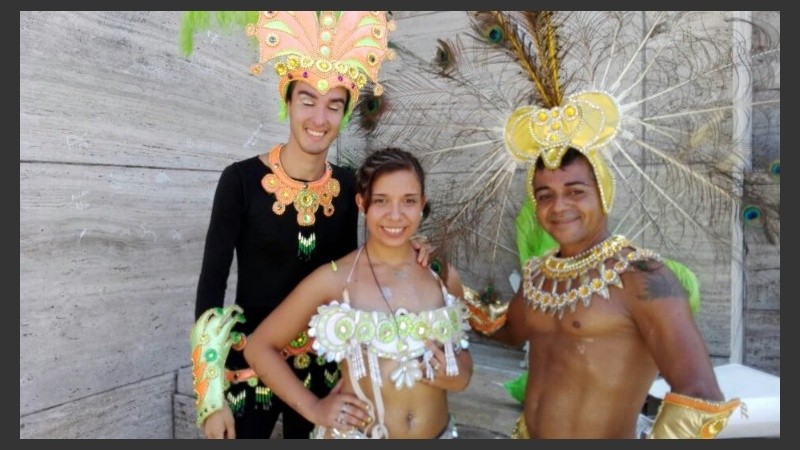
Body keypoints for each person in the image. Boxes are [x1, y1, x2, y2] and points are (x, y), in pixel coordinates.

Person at [187, 11, 431, 439]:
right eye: (308, 101)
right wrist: (210, 398)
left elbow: (357, 271)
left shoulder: (348, 186)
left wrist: (411, 249)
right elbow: (210, 288)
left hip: (320, 370)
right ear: (288, 101)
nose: (319, 119)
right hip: (248, 368)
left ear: (344, 113)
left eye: (333, 105)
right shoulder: (240, 181)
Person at [467, 147, 741, 438]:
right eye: (545, 195)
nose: (559, 206)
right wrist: (451, 288)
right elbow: (511, 331)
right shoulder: (536, 274)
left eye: (575, 191)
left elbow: (700, 393)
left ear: (604, 193)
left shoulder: (644, 275)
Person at [243, 148, 473, 439]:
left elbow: (461, 348)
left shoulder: (442, 275)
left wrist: (462, 375)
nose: (395, 215)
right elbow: (259, 348)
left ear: (422, 204)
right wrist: (314, 408)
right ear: (362, 203)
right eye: (381, 201)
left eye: (409, 201)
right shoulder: (336, 279)